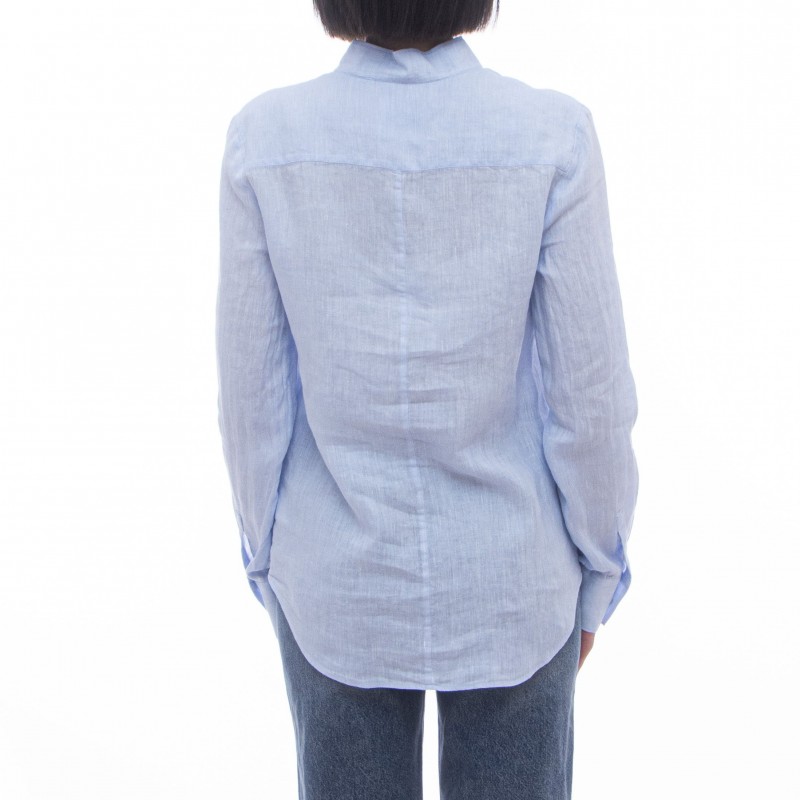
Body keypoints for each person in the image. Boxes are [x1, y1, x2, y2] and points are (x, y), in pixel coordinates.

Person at [215, 1, 639, 797]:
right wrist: (598, 574)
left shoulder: (264, 139)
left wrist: (269, 559)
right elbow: (591, 397)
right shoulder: (553, 136)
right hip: (516, 584)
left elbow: (251, 397)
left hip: (335, 583)